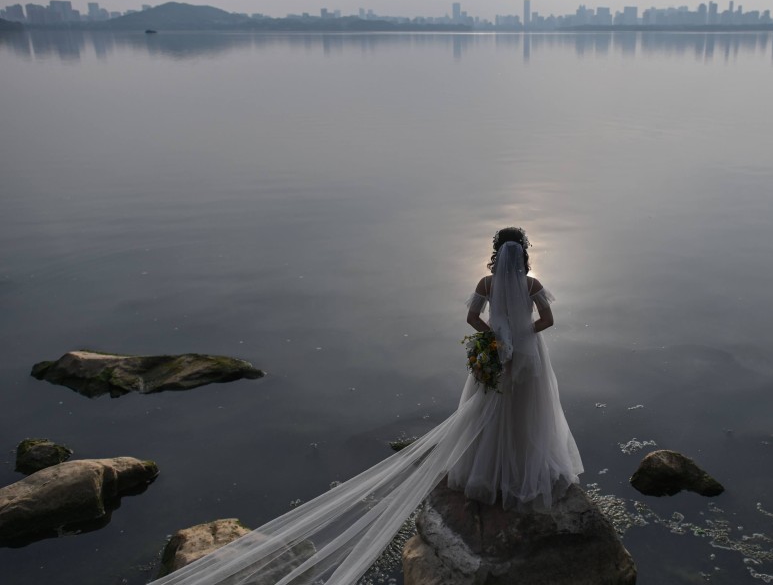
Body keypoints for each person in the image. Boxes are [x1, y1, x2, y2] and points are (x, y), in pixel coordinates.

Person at [149, 227, 582, 585]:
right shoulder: (532, 284)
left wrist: (495, 334)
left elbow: (472, 318)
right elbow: (549, 320)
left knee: (488, 407)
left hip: (494, 351)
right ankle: (522, 468)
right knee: (527, 409)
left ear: (495, 253)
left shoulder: (485, 284)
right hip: (528, 357)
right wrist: (523, 335)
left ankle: (488, 470)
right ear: (522, 254)